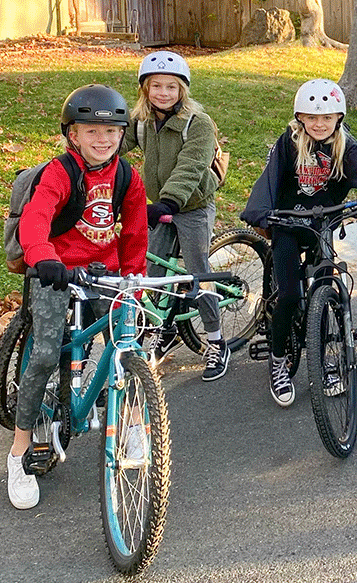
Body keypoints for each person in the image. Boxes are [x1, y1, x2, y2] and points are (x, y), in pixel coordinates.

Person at [7, 84, 148, 509]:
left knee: (131, 341)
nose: (103, 140)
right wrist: (44, 257)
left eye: (112, 131)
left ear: (123, 135)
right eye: (91, 131)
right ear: (73, 135)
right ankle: (18, 452)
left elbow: (135, 235)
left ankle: (134, 422)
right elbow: (36, 220)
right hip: (57, 271)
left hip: (104, 273)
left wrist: (134, 279)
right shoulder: (59, 173)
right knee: (47, 354)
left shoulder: (128, 177)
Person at [241, 79, 357, 407]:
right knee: (291, 295)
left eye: (326, 118)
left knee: (324, 291)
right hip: (286, 225)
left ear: (338, 117)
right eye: (311, 117)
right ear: (300, 118)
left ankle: (323, 359)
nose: (319, 124)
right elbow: (268, 178)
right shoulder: (289, 142)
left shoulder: (347, 145)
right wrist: (260, 211)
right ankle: (278, 359)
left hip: (321, 226)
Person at [121, 51, 229, 381]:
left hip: (192, 204)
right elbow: (109, 144)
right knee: (151, 268)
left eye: (171, 86)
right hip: (160, 205)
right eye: (156, 86)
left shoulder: (198, 124)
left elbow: (191, 167)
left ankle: (215, 340)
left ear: (182, 89)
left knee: (198, 272)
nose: (163, 93)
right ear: (145, 89)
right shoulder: (140, 122)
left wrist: (168, 203)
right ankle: (162, 327)